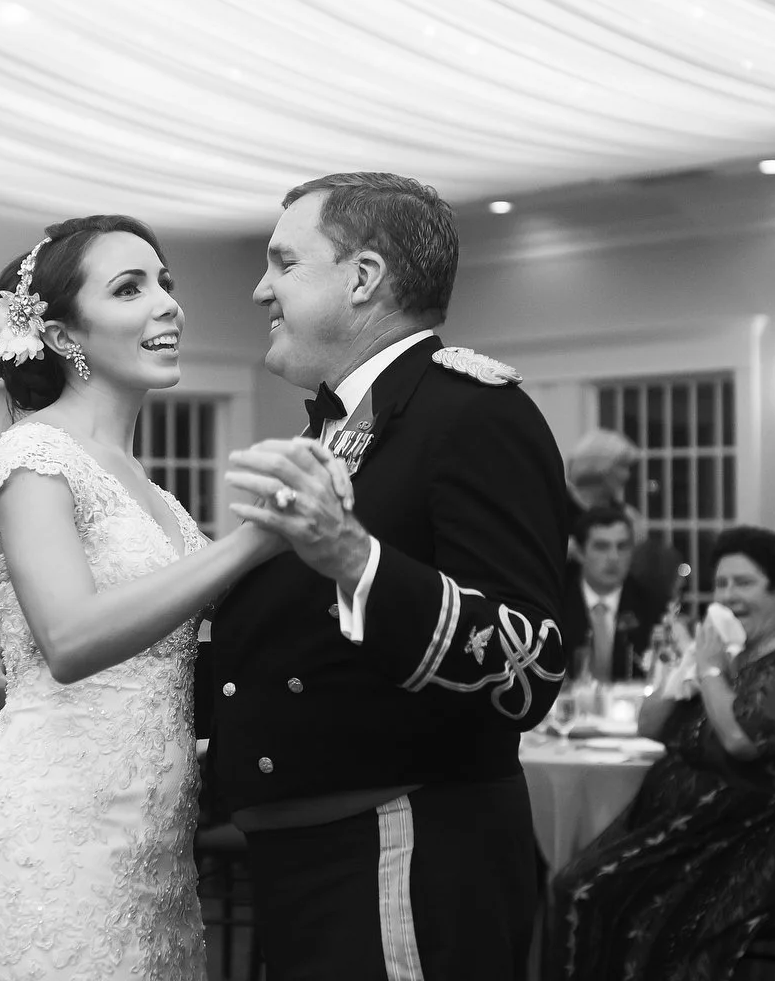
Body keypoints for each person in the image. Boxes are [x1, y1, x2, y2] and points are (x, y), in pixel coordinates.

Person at [0, 216, 345, 980]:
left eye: (166, 282)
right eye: (131, 288)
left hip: (154, 848)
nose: (167, 303)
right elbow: (68, 640)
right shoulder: (34, 455)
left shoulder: (152, 493)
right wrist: (254, 540)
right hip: (57, 837)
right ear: (61, 333)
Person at [204, 172, 571, 980]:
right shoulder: (340, 427)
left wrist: (354, 559)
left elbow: (532, 659)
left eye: (284, 264)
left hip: (404, 846)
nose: (260, 288)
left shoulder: (473, 414)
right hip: (315, 859)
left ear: (363, 278)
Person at [547, 527, 775, 980]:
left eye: (744, 583)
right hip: (693, 829)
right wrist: (685, 665)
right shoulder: (730, 660)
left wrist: (709, 671)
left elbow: (741, 740)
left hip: (755, 841)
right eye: (722, 584)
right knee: (574, 887)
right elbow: (648, 725)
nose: (728, 596)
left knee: (588, 893)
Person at [565, 429, 682, 604]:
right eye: (621, 466)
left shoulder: (629, 517)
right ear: (600, 465)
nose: (626, 475)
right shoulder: (557, 505)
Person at [562, 504, 667, 682]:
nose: (613, 557)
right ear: (580, 553)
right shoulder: (556, 603)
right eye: (602, 547)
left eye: (622, 546)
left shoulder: (653, 605)